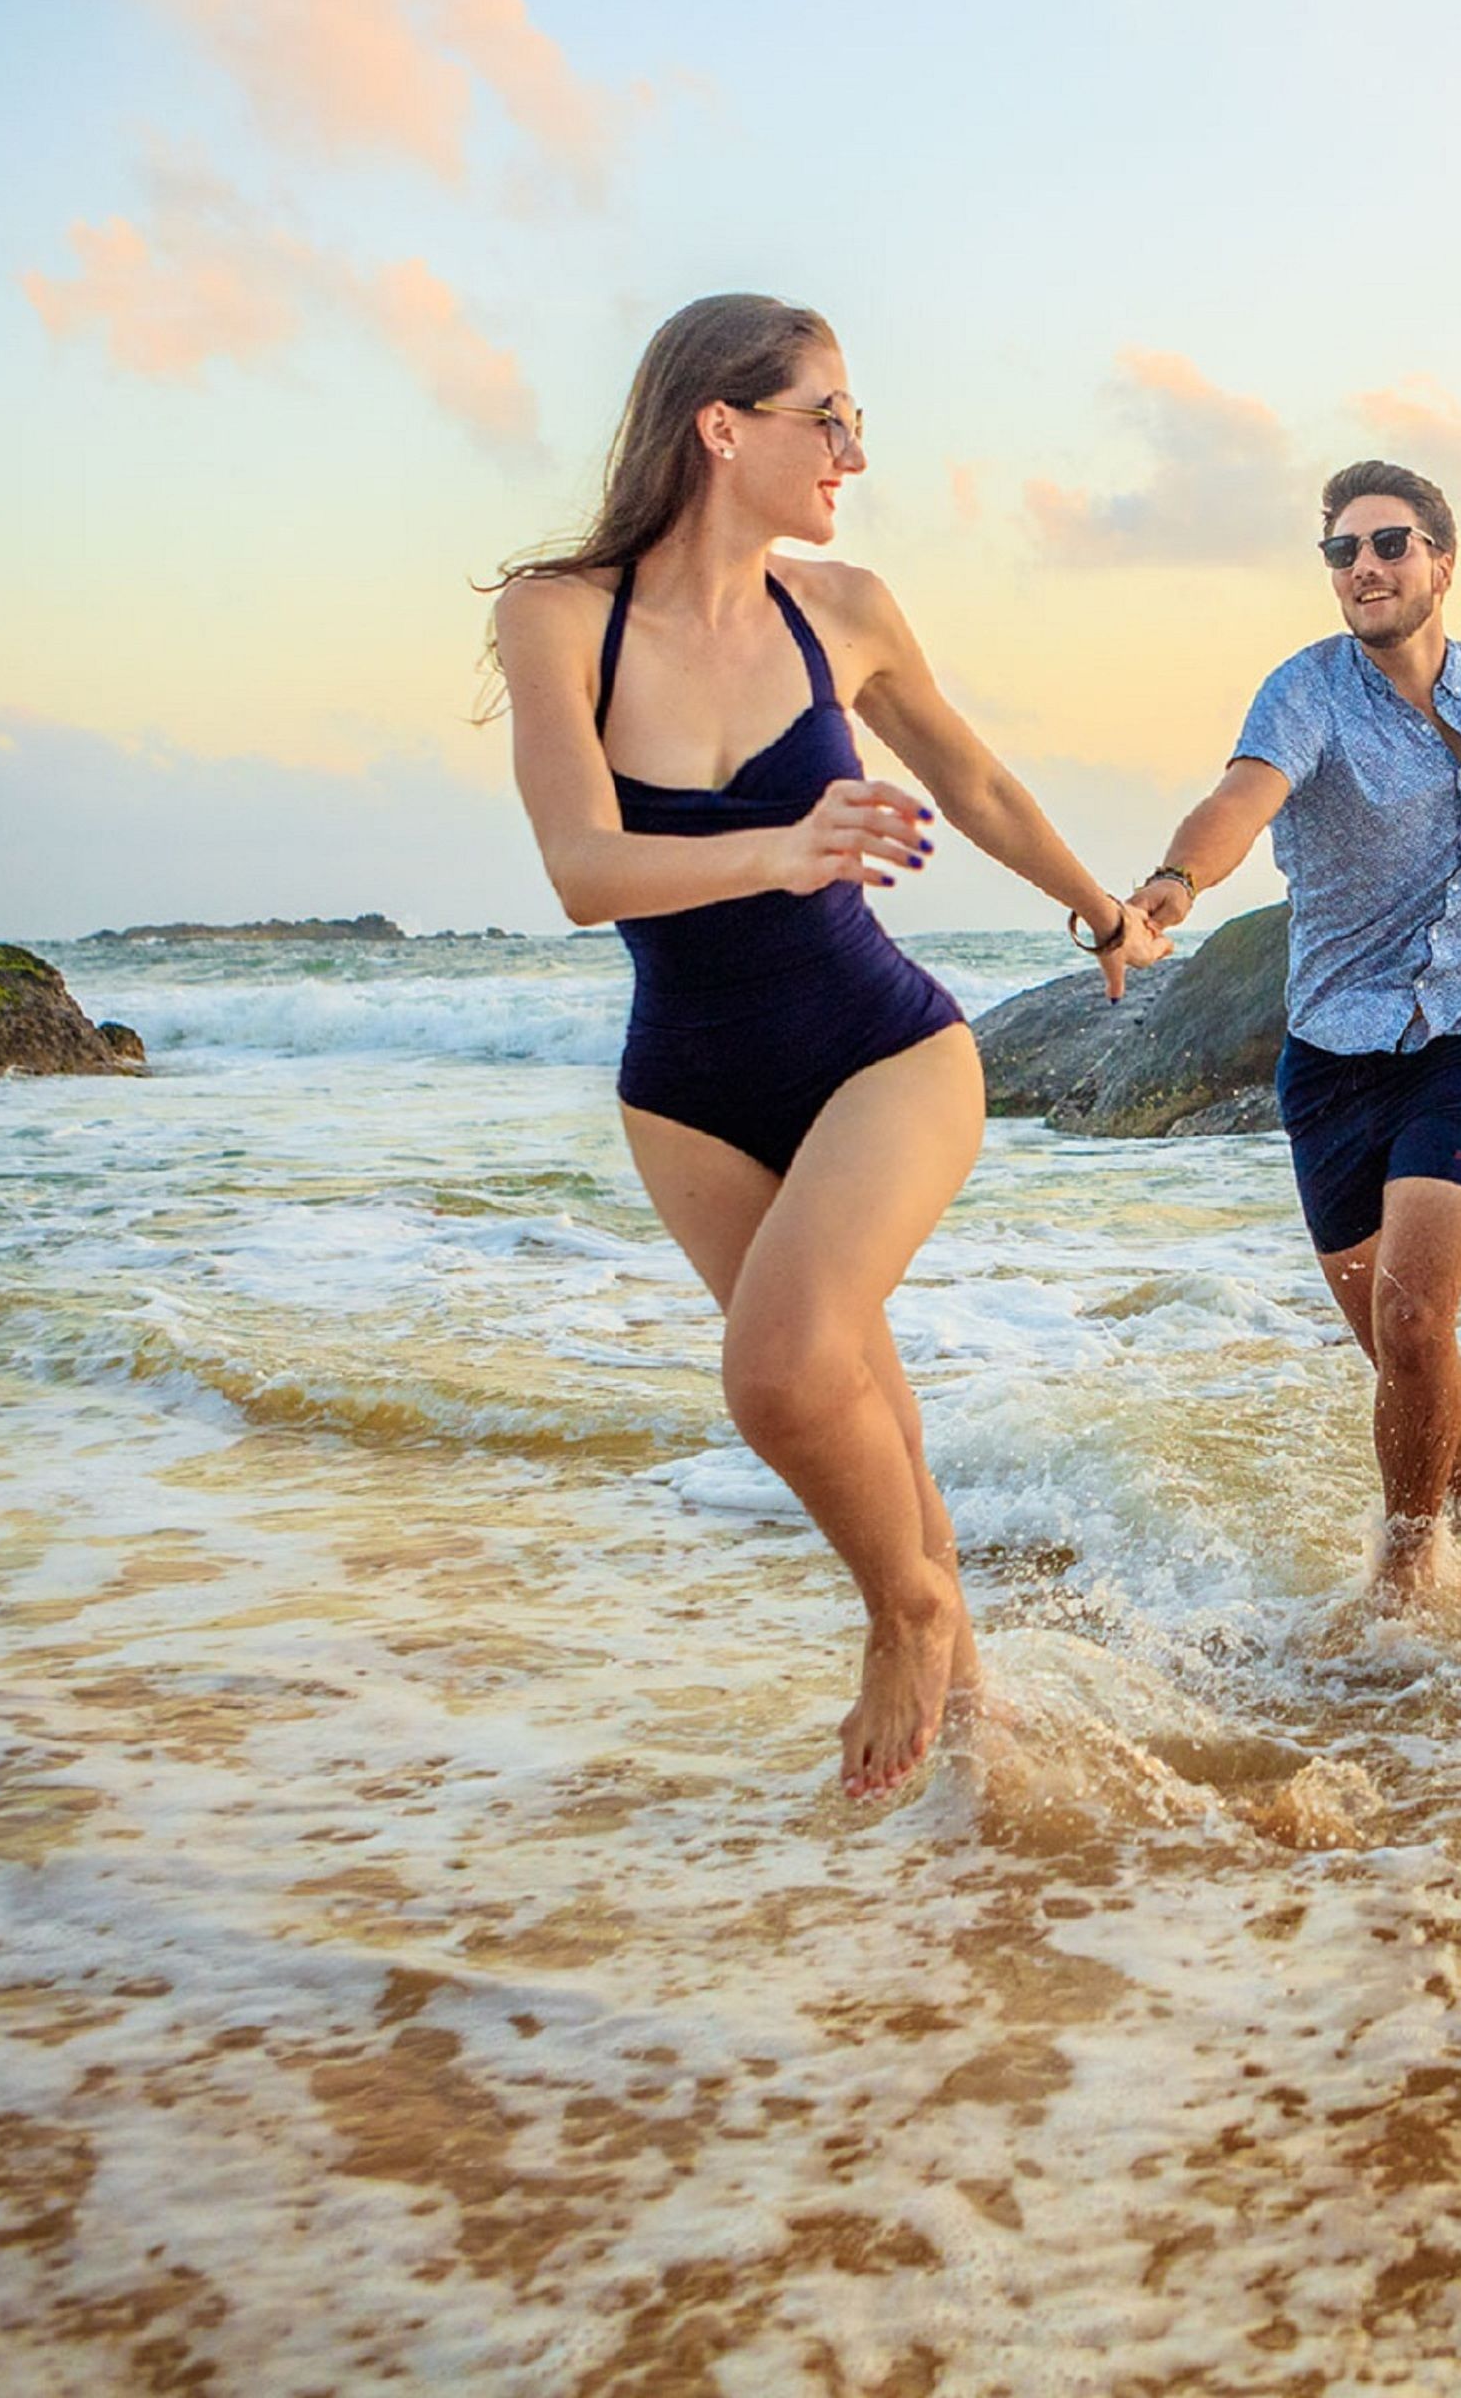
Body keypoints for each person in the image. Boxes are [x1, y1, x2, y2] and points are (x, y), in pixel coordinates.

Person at [489, 295, 1165, 1798]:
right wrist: (783, 847)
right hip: (688, 1092)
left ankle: (906, 1612)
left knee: (784, 1374)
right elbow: (582, 872)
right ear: (720, 427)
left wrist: (1098, 910)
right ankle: (990, 1781)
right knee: (865, 1410)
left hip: (884, 1051)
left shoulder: (843, 612)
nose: (853, 451)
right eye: (829, 416)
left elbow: (971, 776)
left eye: (858, 421)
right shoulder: (559, 617)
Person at [1125, 461, 1461, 1603]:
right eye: (1343, 551)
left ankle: (1405, 1571)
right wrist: (1171, 887)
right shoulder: (1307, 694)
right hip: (1336, 1063)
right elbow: (1240, 799)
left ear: (1443, 561)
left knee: (1412, 1305)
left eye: (1390, 544)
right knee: (1403, 1346)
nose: (1366, 567)